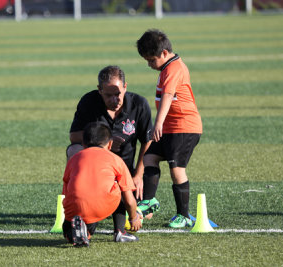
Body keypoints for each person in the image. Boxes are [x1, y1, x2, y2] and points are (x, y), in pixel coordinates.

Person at [67, 65, 153, 228]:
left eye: (118, 94)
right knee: (74, 150)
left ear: (125, 87)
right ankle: (79, 195)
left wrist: (139, 175)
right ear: (99, 90)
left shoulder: (139, 104)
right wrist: (104, 142)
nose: (114, 100)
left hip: (125, 171)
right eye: (108, 95)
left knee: (145, 213)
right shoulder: (88, 102)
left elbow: (147, 141)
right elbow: (74, 137)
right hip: (96, 172)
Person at [135, 29, 203, 228]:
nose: (149, 65)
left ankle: (183, 215)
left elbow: (168, 95)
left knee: (177, 169)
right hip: (171, 127)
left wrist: (158, 123)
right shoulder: (167, 67)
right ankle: (149, 200)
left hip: (184, 126)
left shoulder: (174, 69)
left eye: (151, 60)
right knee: (150, 157)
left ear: (164, 53)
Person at [62, 122, 142, 247]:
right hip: (103, 205)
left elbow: (66, 191)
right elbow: (129, 200)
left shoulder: (74, 159)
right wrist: (133, 218)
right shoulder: (116, 160)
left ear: (83, 144)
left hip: (74, 208)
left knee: (68, 231)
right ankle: (120, 232)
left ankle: (82, 232)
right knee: (119, 187)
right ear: (110, 144)